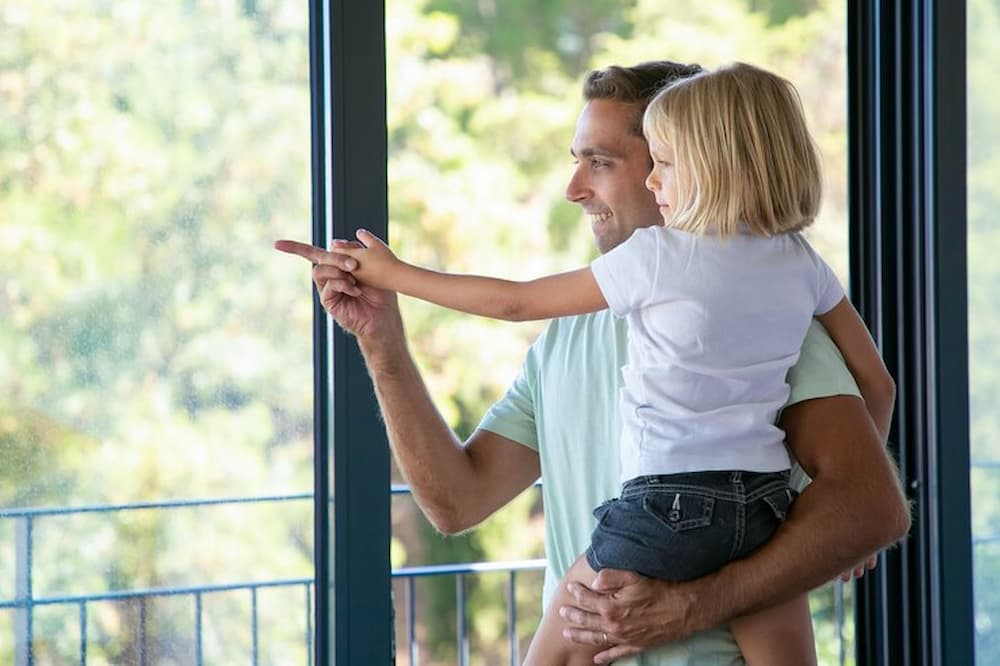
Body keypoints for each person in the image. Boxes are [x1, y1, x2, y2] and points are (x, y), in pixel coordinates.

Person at [275, 60, 910, 665]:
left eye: (602, 163)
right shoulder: (570, 334)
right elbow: (455, 503)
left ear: (695, 164)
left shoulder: (780, 327)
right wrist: (381, 340)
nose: (574, 189)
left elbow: (870, 508)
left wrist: (696, 604)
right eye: (576, 162)